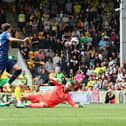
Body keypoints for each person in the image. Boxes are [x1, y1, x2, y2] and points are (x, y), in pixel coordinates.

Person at [0, 23, 29, 89]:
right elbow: (11, 39)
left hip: (5, 58)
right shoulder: (6, 34)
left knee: (19, 69)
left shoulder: (0, 35)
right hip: (2, 58)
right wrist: (22, 40)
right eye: (10, 29)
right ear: (8, 29)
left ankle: (8, 83)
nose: (11, 30)